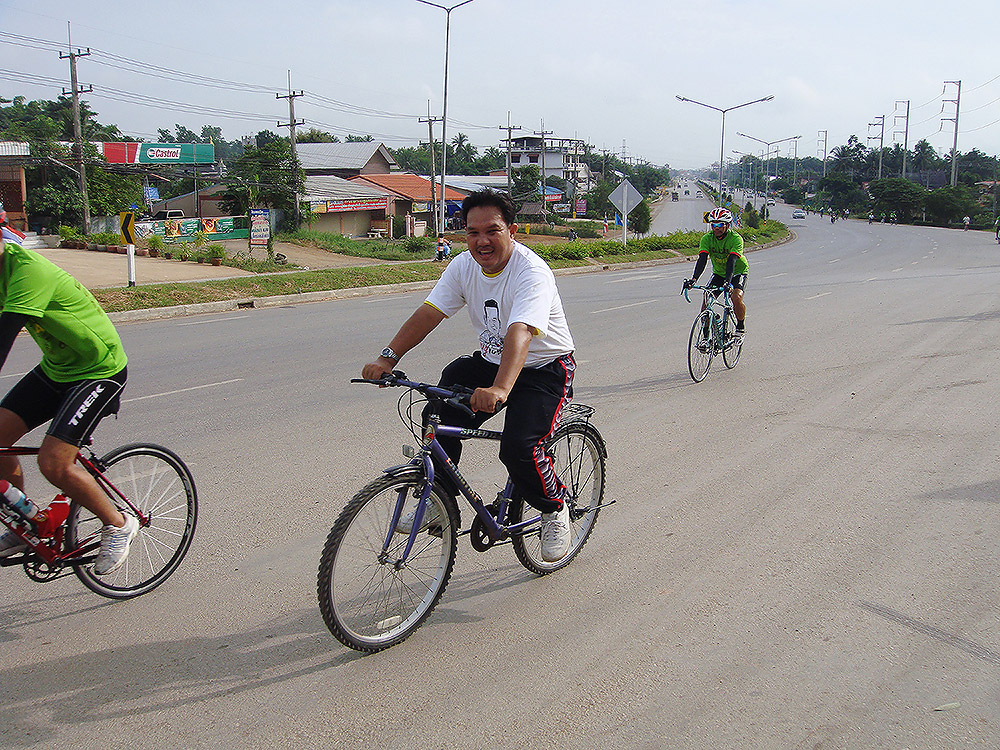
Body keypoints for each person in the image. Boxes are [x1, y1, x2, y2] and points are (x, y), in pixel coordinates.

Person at [362, 190, 577, 562]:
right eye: (473, 232)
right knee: (442, 405)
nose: (482, 241)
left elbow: (521, 331)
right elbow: (430, 313)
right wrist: (388, 357)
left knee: (519, 449)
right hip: (493, 362)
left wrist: (501, 388)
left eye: (492, 231)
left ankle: (554, 509)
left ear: (512, 231)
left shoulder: (531, 272)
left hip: (544, 369)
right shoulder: (463, 266)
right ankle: (438, 498)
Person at [0, 227, 137, 575]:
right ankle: (26, 522)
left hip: (99, 370)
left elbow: (3, 338)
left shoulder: (27, 272)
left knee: (53, 463)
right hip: (57, 369)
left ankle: (118, 524)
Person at [682, 207, 748, 340]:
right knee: (706, 301)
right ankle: (705, 338)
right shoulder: (707, 238)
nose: (716, 228)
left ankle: (740, 326)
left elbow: (732, 261)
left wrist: (728, 282)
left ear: (728, 225)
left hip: (737, 272)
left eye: (720, 225)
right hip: (719, 273)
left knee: (736, 297)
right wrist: (693, 280)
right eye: (713, 225)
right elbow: (702, 259)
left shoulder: (736, 239)